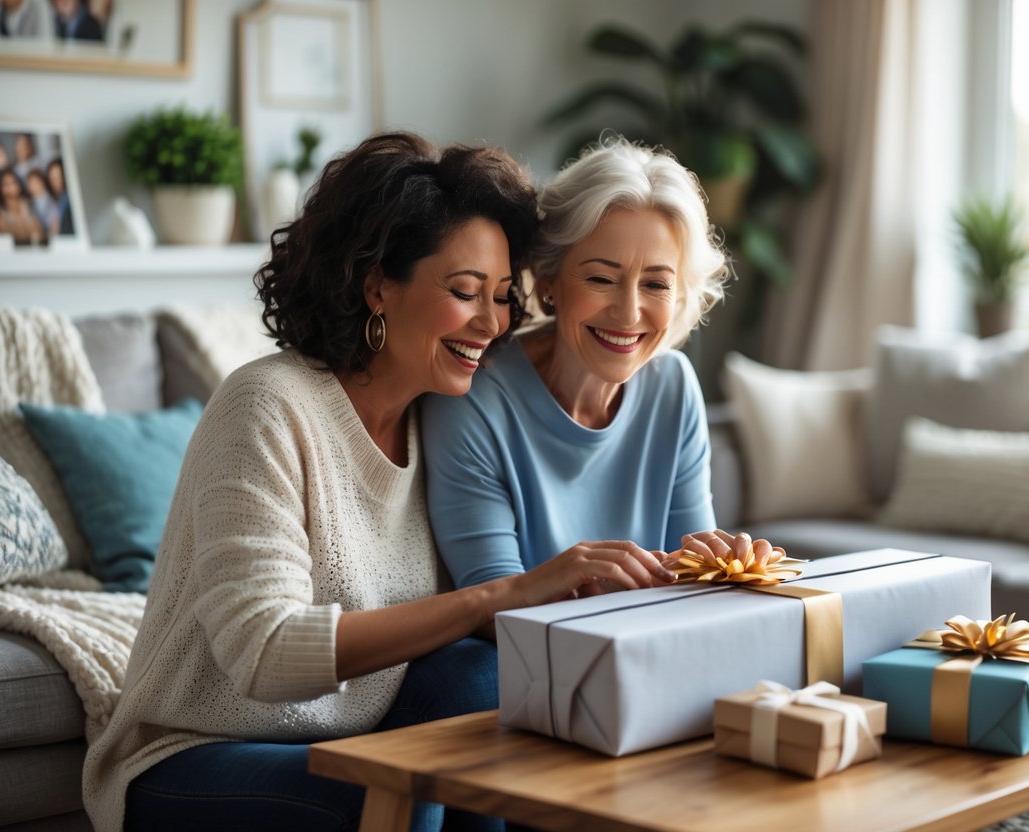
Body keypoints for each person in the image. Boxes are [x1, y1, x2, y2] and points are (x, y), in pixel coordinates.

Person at [81, 131, 677, 832]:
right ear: (376, 286)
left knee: (485, 690)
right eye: (464, 292)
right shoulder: (266, 408)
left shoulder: (445, 416)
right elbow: (263, 652)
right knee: (390, 791)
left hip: (351, 732)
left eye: (502, 296)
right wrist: (505, 593)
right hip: (196, 751)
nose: (492, 324)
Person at [423, 137, 730, 590]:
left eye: (656, 285)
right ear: (549, 282)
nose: (628, 314)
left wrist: (727, 563)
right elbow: (487, 604)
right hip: (520, 657)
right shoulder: (474, 398)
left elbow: (692, 570)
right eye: (601, 279)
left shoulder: (674, 385)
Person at [0, 167, 44, 244]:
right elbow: (6, 237)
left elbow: (38, 231)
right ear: (0, 188)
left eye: (13, 182)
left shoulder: (28, 204)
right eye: (6, 184)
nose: (11, 187)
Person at [25, 168, 59, 237]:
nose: (31, 186)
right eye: (29, 183)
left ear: (42, 181)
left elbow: (55, 226)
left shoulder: (53, 200)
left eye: (34, 182)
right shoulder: (29, 204)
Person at [45, 158, 74, 234]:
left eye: (60, 176)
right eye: (53, 179)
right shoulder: (57, 200)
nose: (58, 182)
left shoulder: (68, 199)